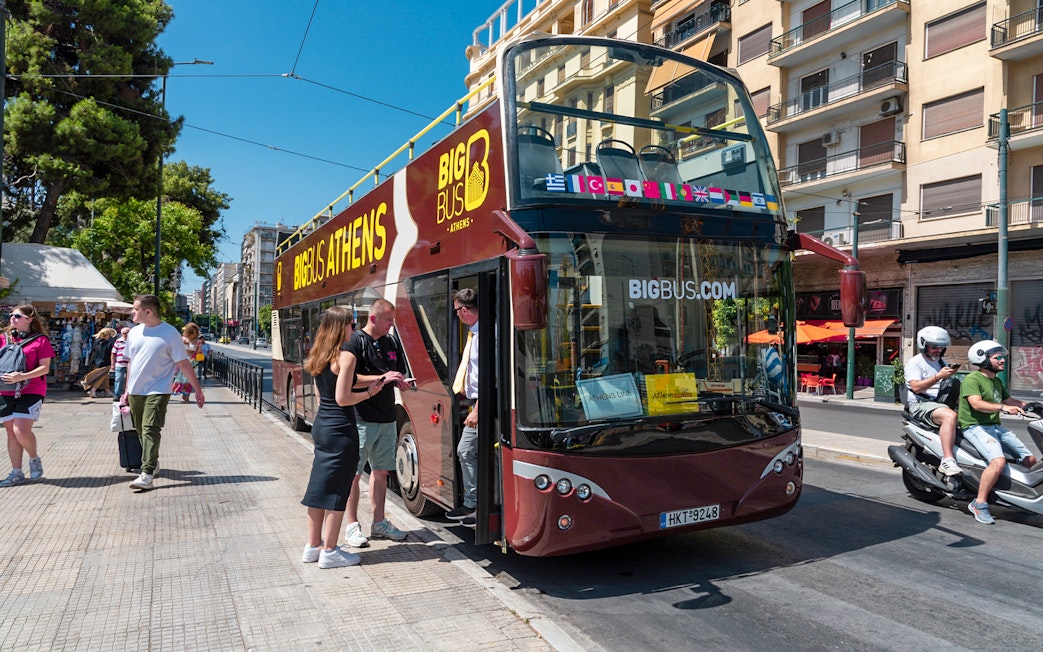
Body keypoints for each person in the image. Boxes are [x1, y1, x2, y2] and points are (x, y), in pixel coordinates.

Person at [300, 306, 387, 569]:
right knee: (338, 490)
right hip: (341, 427)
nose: (354, 328)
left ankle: (313, 547)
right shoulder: (346, 355)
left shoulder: (317, 355)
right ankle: (330, 551)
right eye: (352, 324)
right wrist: (371, 393)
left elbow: (329, 391)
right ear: (342, 327)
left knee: (319, 488)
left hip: (322, 425)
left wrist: (378, 379)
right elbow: (343, 397)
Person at [343, 299, 410, 547]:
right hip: (361, 417)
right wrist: (383, 377)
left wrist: (400, 380)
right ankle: (351, 526)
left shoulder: (390, 341)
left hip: (387, 416)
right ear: (373, 319)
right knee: (353, 474)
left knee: (381, 472)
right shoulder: (355, 342)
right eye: (388, 320)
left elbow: (397, 370)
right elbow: (349, 378)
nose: (392, 325)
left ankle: (379, 523)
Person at [123, 295, 205, 491]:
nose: (132, 312)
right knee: (141, 430)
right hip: (136, 390)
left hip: (158, 389)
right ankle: (152, 462)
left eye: (135, 309)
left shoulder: (170, 334)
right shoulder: (133, 333)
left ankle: (147, 473)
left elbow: (183, 363)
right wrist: (126, 390)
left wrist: (198, 390)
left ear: (148, 312)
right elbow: (130, 363)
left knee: (151, 428)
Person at [959, 339, 1038, 525]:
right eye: (997, 357)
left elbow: (1010, 401)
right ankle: (979, 502)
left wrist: (1031, 406)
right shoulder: (972, 379)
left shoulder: (995, 381)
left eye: (1001, 357)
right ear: (983, 360)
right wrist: (1002, 407)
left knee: (1030, 460)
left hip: (994, 426)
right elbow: (976, 404)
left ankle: (1020, 496)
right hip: (975, 426)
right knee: (998, 462)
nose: (1002, 360)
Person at [0, 305, 57, 487]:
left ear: (30, 319)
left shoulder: (40, 341)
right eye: (11, 315)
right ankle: (17, 472)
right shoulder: (4, 338)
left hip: (31, 389)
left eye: (17, 316)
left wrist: (21, 376)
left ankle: (33, 458)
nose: (12, 318)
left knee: (20, 430)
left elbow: (45, 368)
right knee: (10, 431)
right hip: (5, 389)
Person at [904, 326, 962, 476]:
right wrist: (938, 377)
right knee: (950, 416)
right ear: (923, 345)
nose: (938, 350)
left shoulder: (942, 362)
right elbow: (916, 387)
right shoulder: (915, 362)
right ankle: (947, 460)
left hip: (939, 403)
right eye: (934, 347)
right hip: (920, 404)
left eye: (941, 347)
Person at [447, 288, 480, 525]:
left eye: (457, 310)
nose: (456, 315)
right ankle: (474, 503)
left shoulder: (485, 335)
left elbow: (492, 377)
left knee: (465, 450)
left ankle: (475, 504)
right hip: (475, 403)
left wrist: (478, 410)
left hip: (484, 405)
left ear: (465, 310)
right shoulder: (474, 333)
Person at [81, 327, 117, 398]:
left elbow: (93, 352)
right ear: (107, 335)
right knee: (102, 377)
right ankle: (93, 390)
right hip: (105, 363)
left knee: (105, 377)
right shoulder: (108, 343)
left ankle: (107, 391)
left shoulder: (96, 342)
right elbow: (111, 353)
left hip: (96, 362)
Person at [175, 323, 202, 403]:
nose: (195, 334)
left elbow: (199, 352)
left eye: (196, 332)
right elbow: (177, 349)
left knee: (190, 380)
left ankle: (186, 396)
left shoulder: (198, 341)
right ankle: (183, 393)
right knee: (181, 379)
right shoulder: (182, 339)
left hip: (193, 362)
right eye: (193, 332)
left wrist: (196, 353)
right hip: (183, 361)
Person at [110, 327, 131, 398]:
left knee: (130, 380)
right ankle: (117, 395)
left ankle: (128, 395)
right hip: (120, 364)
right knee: (118, 379)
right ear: (122, 334)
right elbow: (113, 353)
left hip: (130, 364)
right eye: (125, 333)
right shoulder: (118, 341)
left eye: (128, 333)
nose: (127, 334)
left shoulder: (133, 341)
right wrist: (112, 364)